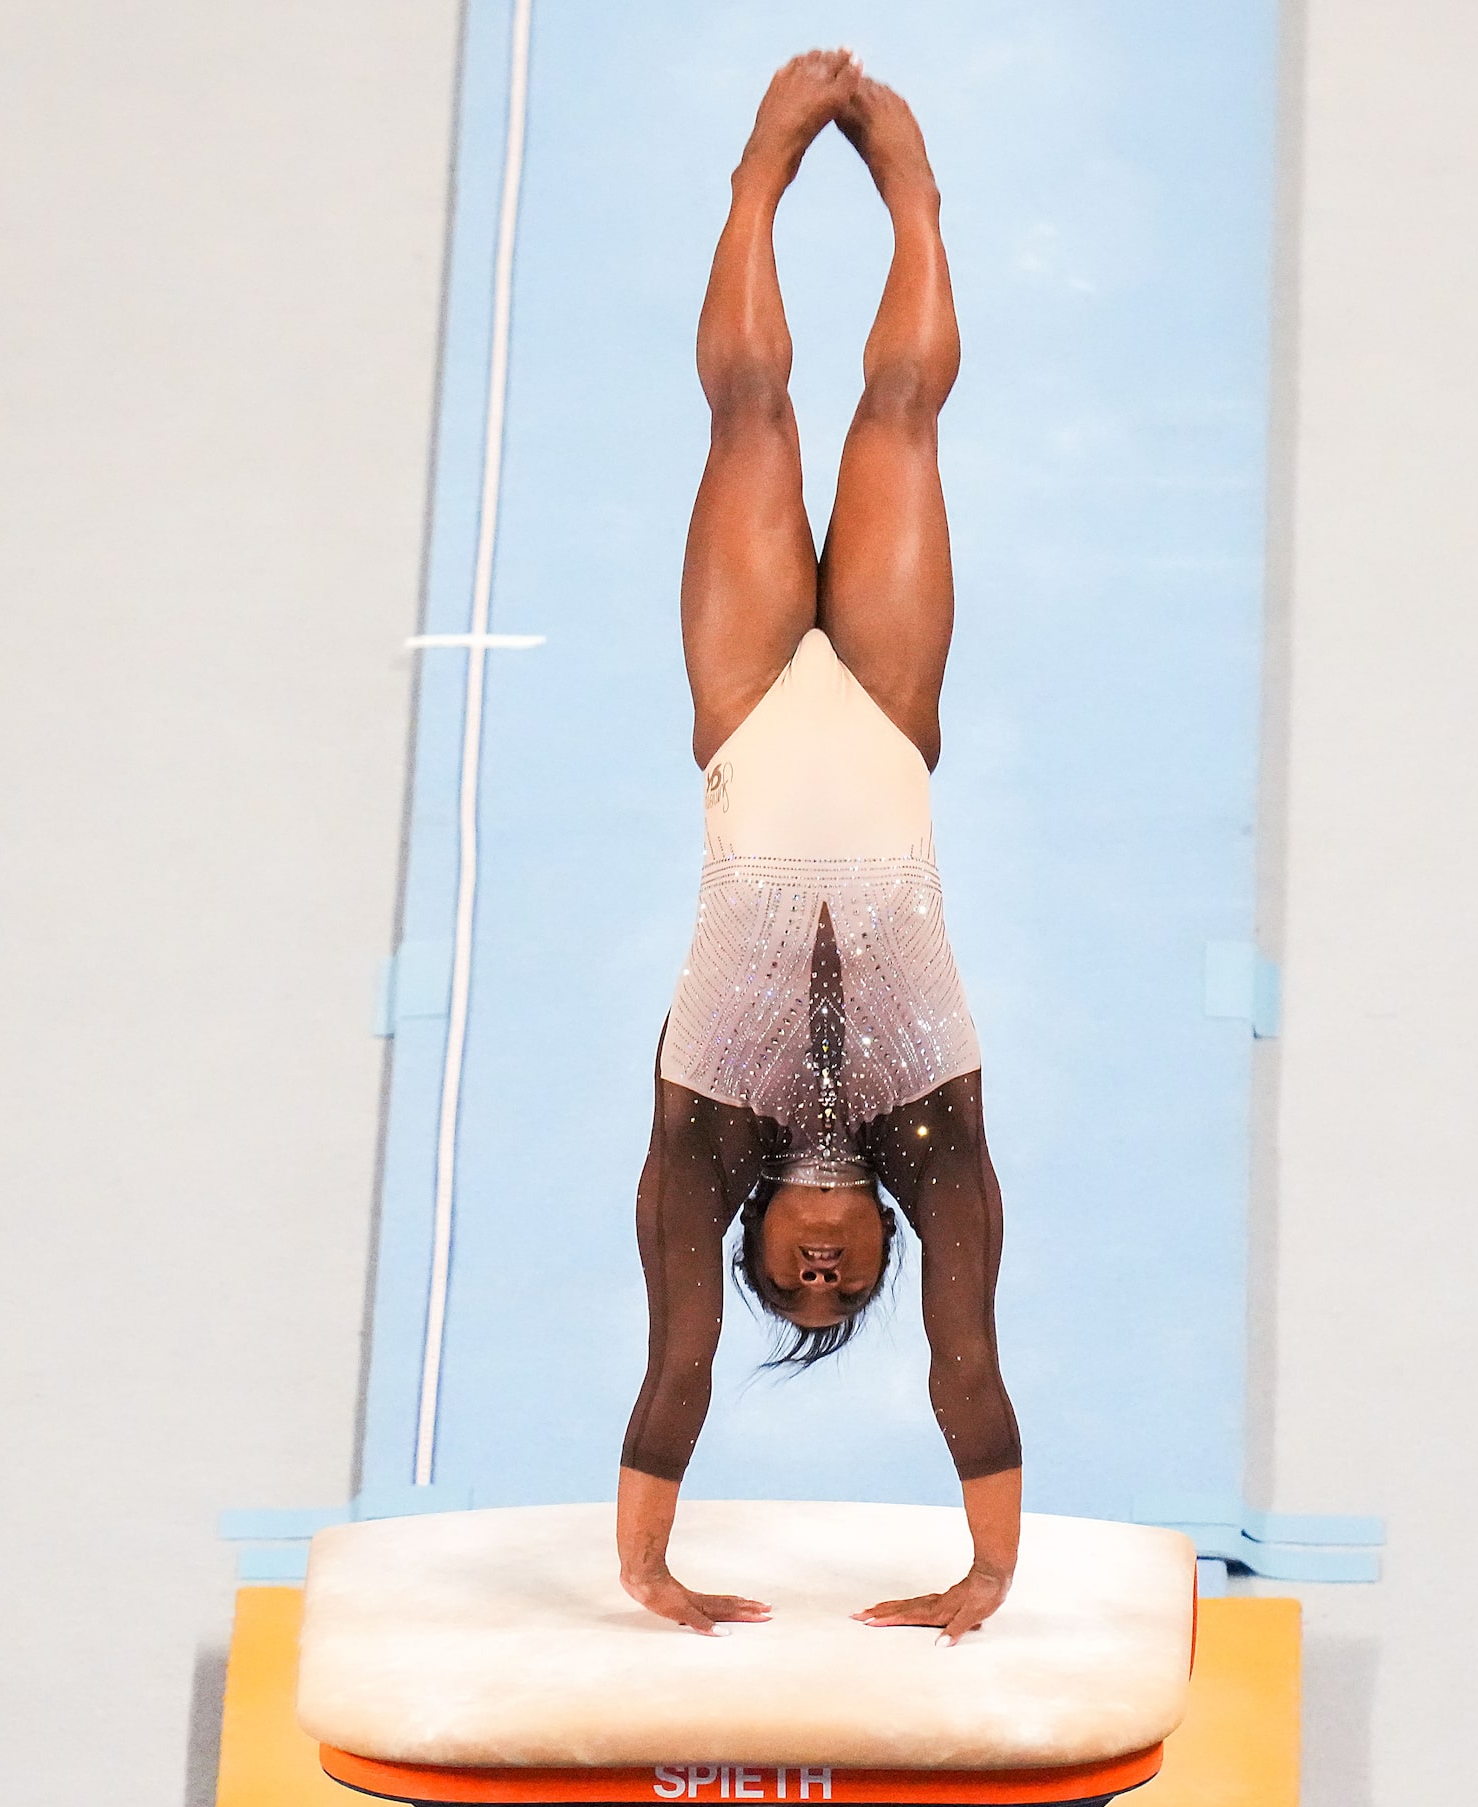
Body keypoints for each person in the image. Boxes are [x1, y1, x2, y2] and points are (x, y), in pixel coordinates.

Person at [616, 50, 1020, 1648]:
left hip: (746, 712)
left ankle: (759, 179)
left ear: (758, 1238)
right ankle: (915, 190)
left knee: (748, 414)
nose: (833, 1273)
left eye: (803, 1279)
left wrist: (644, 1566)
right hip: (884, 718)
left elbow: (675, 1365)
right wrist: (987, 1572)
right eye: (845, 1291)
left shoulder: (700, 1138)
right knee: (905, 417)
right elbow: (970, 1360)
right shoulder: (942, 1146)